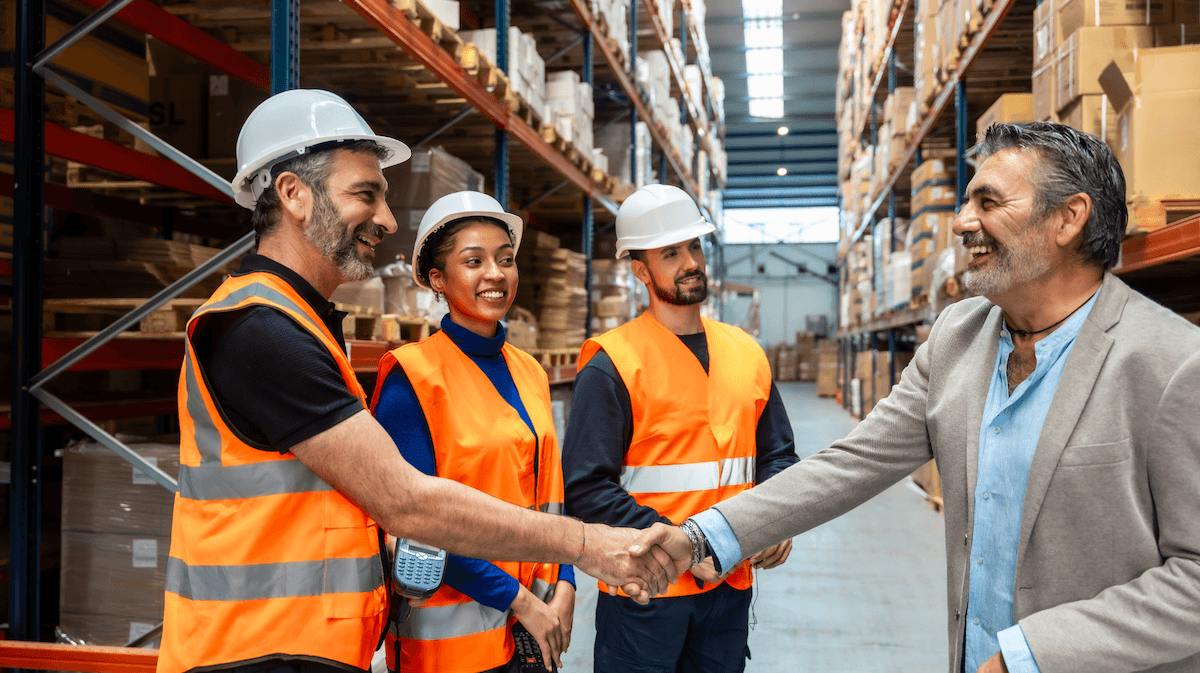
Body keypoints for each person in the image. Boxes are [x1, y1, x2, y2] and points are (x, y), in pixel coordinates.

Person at [635, 122, 1200, 673]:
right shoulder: (959, 338)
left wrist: (1035, 655)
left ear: (1068, 219)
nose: (961, 223)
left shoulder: (1172, 363)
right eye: (965, 202)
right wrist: (702, 535)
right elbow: (853, 462)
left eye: (988, 202)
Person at [158, 89, 675, 673]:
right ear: (293, 194)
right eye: (366, 194)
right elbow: (406, 502)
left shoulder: (300, 325)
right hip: (250, 653)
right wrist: (587, 545)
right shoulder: (260, 332)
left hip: (298, 650)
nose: (383, 219)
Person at [562, 184, 800, 673]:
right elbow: (586, 489)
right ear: (640, 270)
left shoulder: (745, 351)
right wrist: (690, 548)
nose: (690, 261)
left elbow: (778, 455)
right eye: (670, 253)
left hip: (730, 590)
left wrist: (776, 521)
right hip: (644, 596)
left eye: (694, 246)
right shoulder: (612, 363)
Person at [370, 191, 574, 673]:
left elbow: (547, 496)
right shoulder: (413, 378)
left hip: (536, 630)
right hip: (452, 648)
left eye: (506, 260)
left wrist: (565, 579)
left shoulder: (530, 372)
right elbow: (416, 523)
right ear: (437, 279)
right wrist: (519, 600)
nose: (496, 274)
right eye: (474, 261)